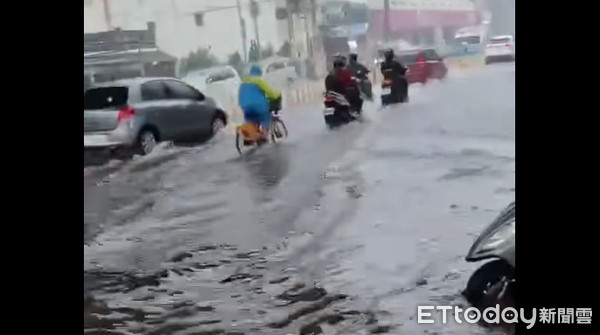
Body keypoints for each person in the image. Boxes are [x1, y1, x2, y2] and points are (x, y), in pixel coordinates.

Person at [238, 65, 282, 142]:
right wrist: (277, 95)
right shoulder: (258, 81)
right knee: (265, 118)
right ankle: (264, 136)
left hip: (245, 107)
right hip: (258, 106)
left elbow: (240, 96)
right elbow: (270, 92)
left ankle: (250, 136)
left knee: (251, 119)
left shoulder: (243, 83)